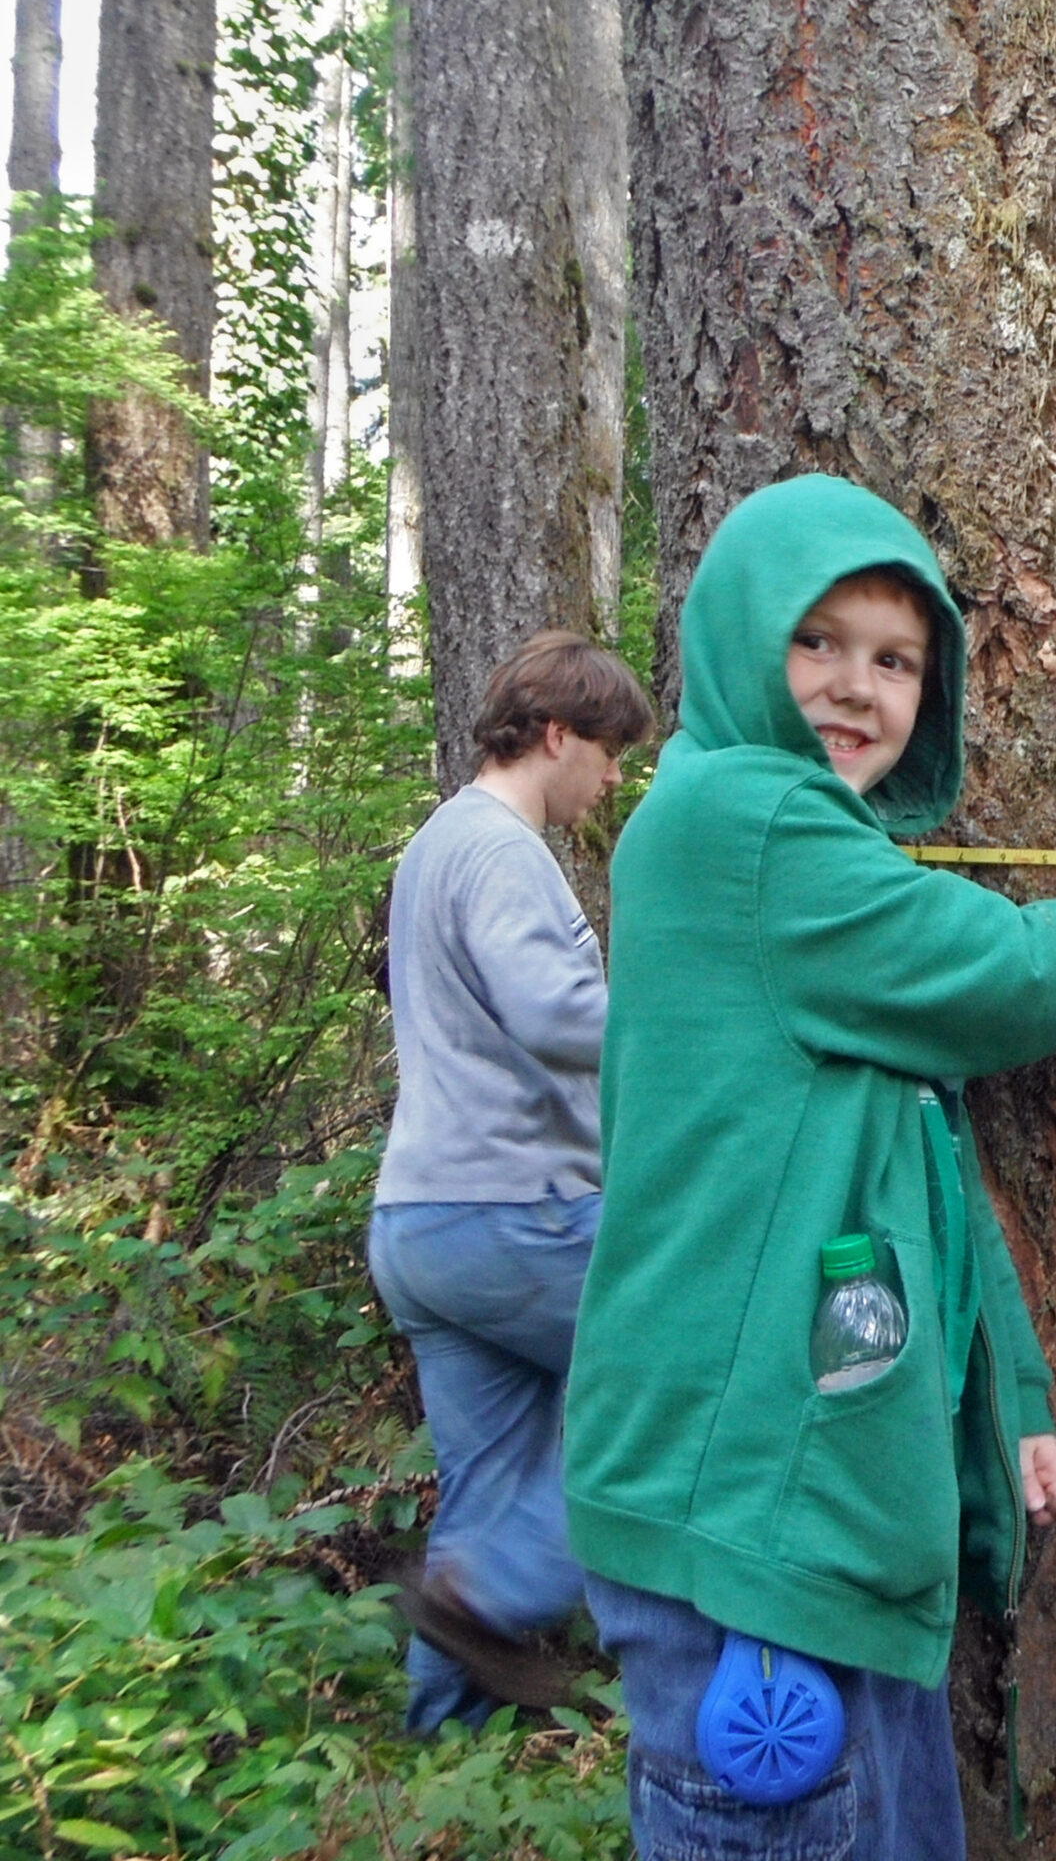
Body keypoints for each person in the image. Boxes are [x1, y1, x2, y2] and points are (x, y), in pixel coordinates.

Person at [561, 474, 1056, 1858]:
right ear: (737, 641)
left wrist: (1009, 1394)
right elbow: (1024, 974)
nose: (858, 686)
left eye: (897, 659)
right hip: (755, 1546)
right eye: (819, 642)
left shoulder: (790, 850)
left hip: (808, 1526)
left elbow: (915, 1148)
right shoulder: (748, 824)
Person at [370, 629, 656, 1732]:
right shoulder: (497, 847)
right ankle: (489, 1597)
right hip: (512, 1211)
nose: (615, 775)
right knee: (682, 1379)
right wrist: (680, 1020)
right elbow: (552, 1013)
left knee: (484, 1500)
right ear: (554, 735)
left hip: (423, 1228)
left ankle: (438, 1760)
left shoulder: (437, 843)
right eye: (608, 749)